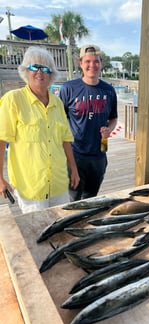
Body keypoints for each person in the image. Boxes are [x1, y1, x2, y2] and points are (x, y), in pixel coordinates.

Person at [0, 46, 80, 213]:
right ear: (25, 71)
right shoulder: (13, 99)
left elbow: (65, 140)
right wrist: (0, 178)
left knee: (61, 227)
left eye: (45, 68)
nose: (40, 72)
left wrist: (74, 169)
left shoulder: (57, 103)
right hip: (31, 186)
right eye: (34, 67)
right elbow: (2, 139)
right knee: (37, 231)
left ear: (51, 74)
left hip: (58, 182)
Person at [59, 44, 118, 201]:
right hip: (75, 154)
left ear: (101, 63)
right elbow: (59, 119)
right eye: (88, 61)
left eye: (96, 61)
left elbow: (113, 118)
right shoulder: (68, 88)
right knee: (73, 198)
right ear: (81, 63)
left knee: (91, 198)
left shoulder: (109, 90)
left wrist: (109, 129)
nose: (92, 65)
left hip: (100, 152)